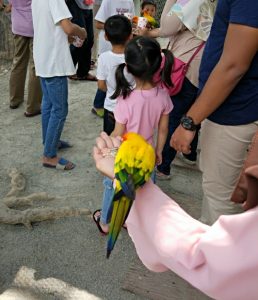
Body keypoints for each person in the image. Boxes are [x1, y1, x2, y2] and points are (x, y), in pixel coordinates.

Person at [92, 131, 258, 300]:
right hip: (137, 182)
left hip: (126, 182)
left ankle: (109, 227)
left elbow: (212, 260)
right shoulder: (148, 150)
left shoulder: (126, 147)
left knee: (120, 207)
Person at [170, 0, 258, 224]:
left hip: (235, 114)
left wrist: (189, 122)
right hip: (234, 110)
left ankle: (222, 257)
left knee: (223, 206)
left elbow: (234, 65)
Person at [93, 36, 174, 235]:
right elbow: (163, 129)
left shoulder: (125, 99)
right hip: (147, 154)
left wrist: (107, 149)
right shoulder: (163, 96)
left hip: (125, 155)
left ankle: (105, 221)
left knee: (112, 186)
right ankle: (136, 223)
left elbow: (118, 133)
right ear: (157, 66)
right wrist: (159, 151)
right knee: (145, 190)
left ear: (128, 68)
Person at [137, 0, 216, 180]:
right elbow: (177, 27)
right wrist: (149, 33)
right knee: (190, 111)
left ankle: (163, 166)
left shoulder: (192, 1)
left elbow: (167, 27)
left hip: (186, 71)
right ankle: (189, 154)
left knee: (174, 117)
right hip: (197, 69)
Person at [31, 0, 86, 170]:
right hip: (54, 62)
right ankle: (49, 155)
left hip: (43, 56)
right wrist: (81, 31)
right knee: (60, 109)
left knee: (48, 104)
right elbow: (68, 27)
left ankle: (50, 141)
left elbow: (53, 26)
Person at [91, 0, 135, 118]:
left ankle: (101, 103)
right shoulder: (108, 1)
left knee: (117, 77)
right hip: (108, 48)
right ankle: (98, 104)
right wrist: (117, 30)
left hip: (124, 47)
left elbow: (131, 23)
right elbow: (98, 23)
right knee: (107, 76)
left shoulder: (130, 2)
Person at [97, 15, 133, 135]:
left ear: (106, 37)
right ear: (130, 36)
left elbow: (101, 85)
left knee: (110, 143)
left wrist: (114, 90)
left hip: (111, 108)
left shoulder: (103, 58)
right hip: (132, 108)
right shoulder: (135, 56)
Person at [7, 0, 42, 117]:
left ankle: (14, 100)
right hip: (35, 26)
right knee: (35, 66)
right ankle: (33, 107)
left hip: (18, 25)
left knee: (18, 62)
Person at [66, 0, 97, 81]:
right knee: (79, 38)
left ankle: (83, 72)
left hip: (88, 5)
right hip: (75, 3)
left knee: (90, 39)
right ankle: (69, 69)